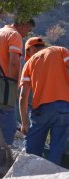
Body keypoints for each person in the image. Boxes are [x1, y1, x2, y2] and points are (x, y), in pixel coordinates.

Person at [19, 37, 69, 165]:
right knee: (57, 147)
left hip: (41, 109)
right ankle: (53, 178)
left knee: (32, 149)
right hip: (63, 107)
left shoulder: (29, 63)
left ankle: (30, 178)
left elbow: (23, 96)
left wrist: (24, 122)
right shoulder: (61, 51)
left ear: (30, 49)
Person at [0, 18, 35, 150]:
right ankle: (2, 157)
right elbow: (14, 63)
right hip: (5, 85)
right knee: (9, 125)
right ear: (23, 25)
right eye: (28, 30)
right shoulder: (14, 35)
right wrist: (13, 86)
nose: (27, 34)